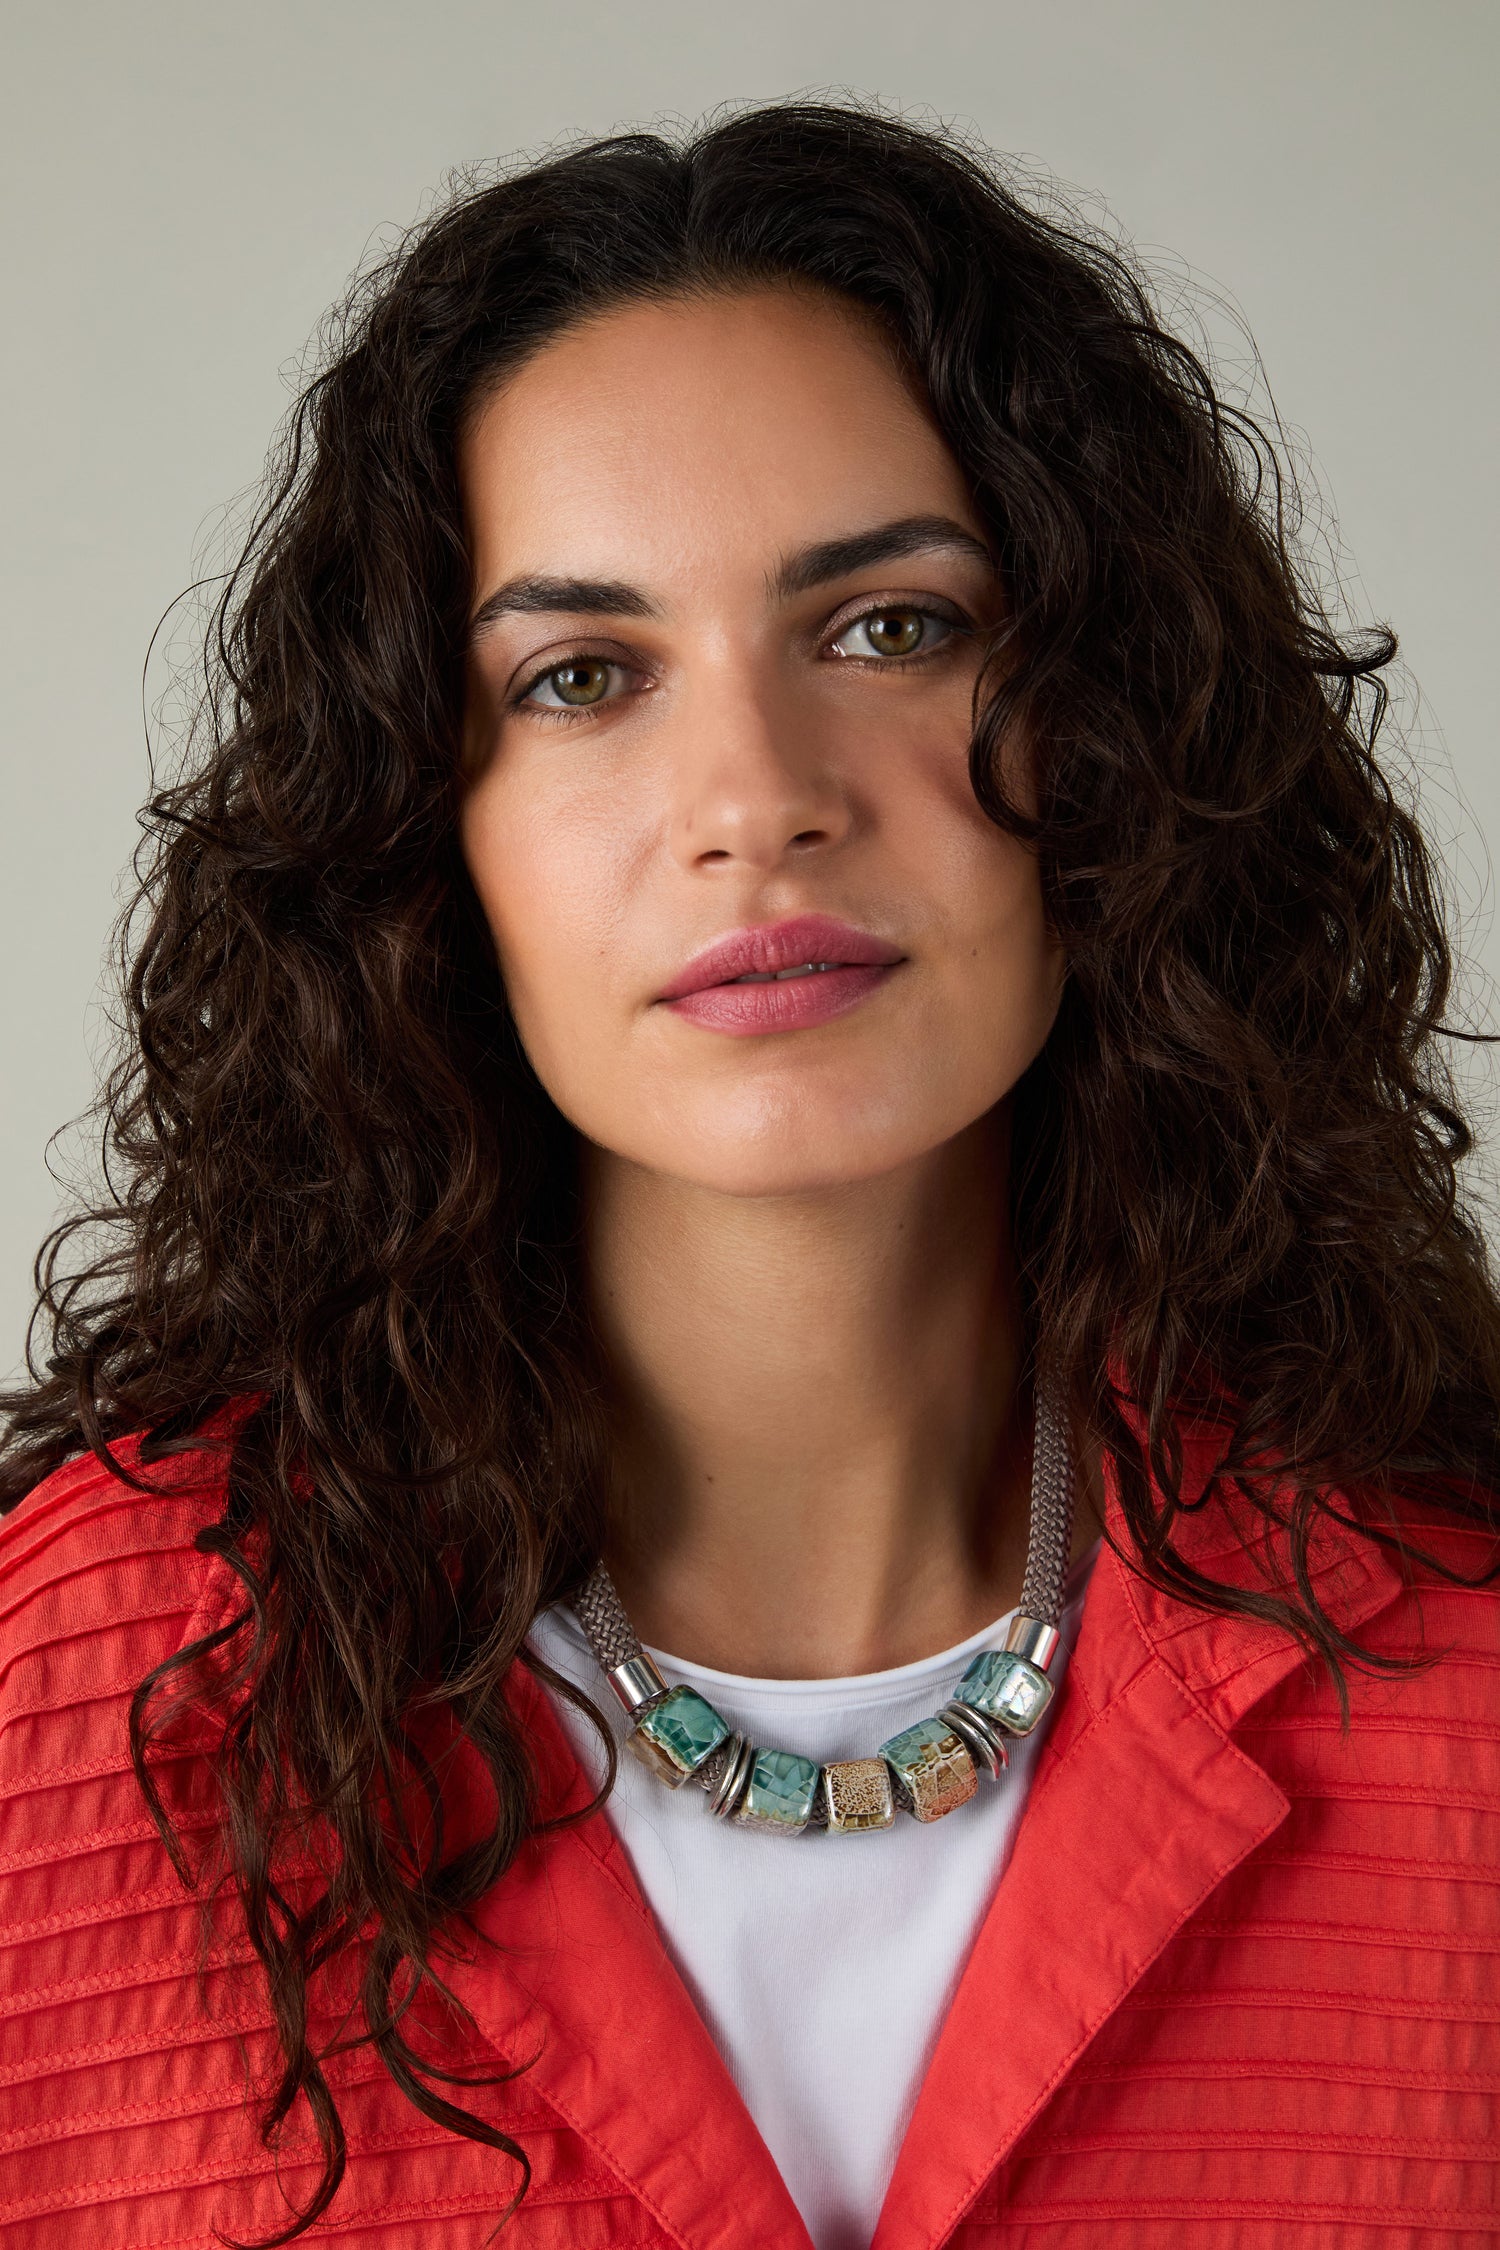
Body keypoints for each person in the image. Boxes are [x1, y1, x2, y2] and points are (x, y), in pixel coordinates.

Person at [0, 100, 1495, 2250]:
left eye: (889, 628)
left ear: (1116, 724)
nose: (755, 799)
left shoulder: (1461, 1658)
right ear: (425, 833)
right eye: (581, 678)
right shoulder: (72, 1693)